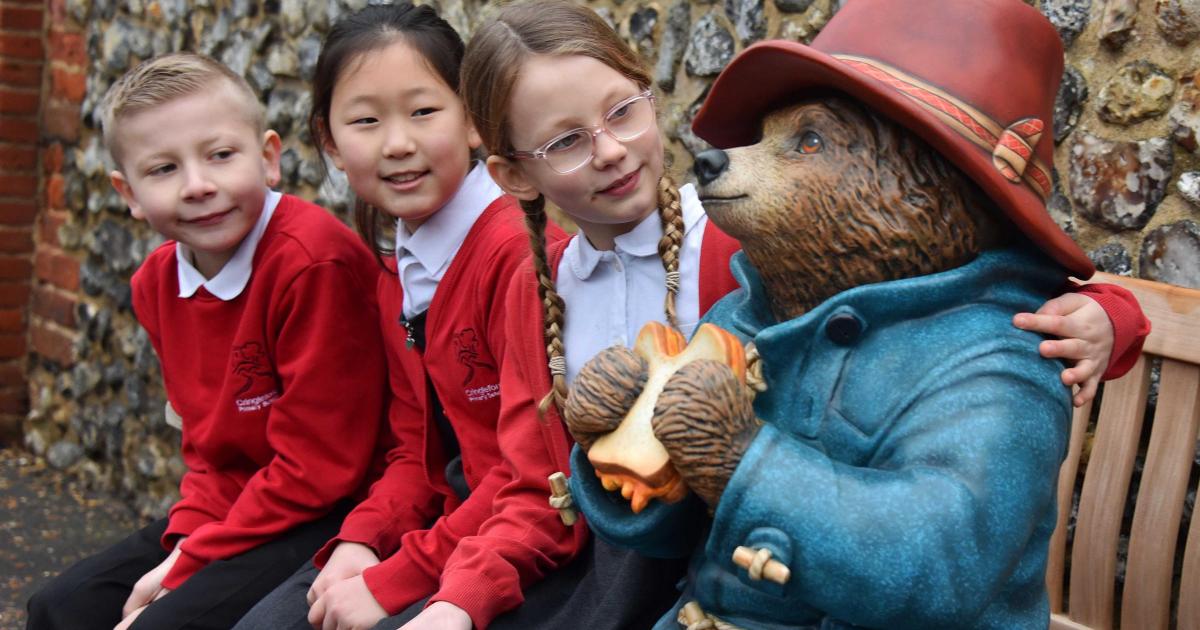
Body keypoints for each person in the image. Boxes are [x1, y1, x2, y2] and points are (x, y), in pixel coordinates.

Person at [460, 1, 1149, 623]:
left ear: (925, 179)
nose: (724, 161)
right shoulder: (745, 312)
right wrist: (618, 444)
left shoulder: (994, 365)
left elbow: (939, 568)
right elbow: (672, 529)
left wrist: (741, 461)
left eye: (808, 143)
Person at [232, 5, 583, 630]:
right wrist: (363, 539)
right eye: (366, 121)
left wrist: (400, 577)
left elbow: (537, 483)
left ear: (475, 120)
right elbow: (415, 453)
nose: (398, 144)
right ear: (331, 144)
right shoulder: (400, 266)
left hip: (526, 551)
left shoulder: (519, 258)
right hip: (449, 528)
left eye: (424, 112)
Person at [26, 52, 386, 630]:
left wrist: (190, 561)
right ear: (129, 192)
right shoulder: (157, 283)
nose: (198, 186)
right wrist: (186, 541)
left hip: (334, 511)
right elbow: (209, 449)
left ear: (268, 158)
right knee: (61, 607)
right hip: (243, 504)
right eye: (163, 170)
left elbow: (320, 468)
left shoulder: (312, 262)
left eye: (221, 156)